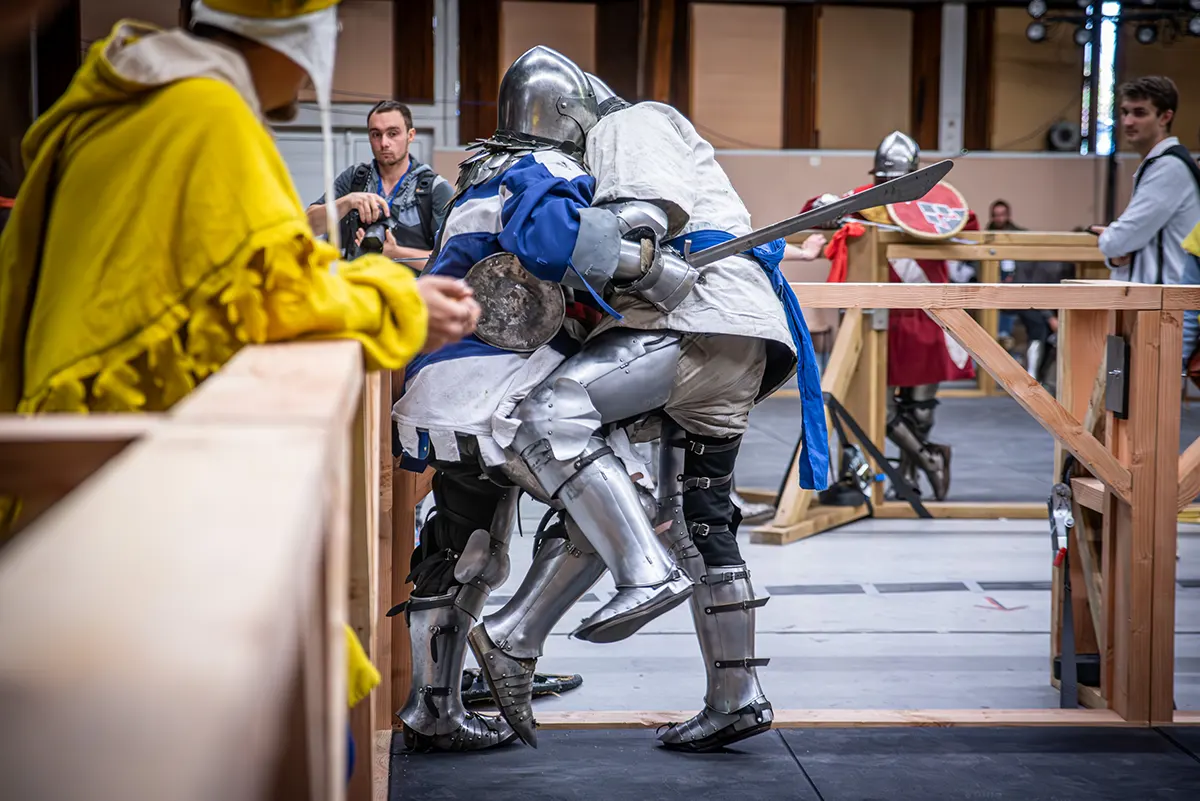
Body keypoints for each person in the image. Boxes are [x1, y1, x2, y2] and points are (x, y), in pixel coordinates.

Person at [0, 0, 482, 776]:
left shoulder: (130, 106)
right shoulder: (206, 113)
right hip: (127, 504)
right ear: (297, 36)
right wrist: (397, 304)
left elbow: (243, 260)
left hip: (77, 475)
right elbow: (270, 290)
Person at [425, 60, 829, 755]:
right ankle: (736, 697)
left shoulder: (633, 121)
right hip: (733, 341)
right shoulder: (629, 137)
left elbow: (642, 212)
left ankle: (531, 625)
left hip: (693, 317)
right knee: (693, 515)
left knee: (549, 418)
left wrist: (625, 254)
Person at [802, 130, 978, 501]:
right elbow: (809, 215)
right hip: (875, 316)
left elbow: (969, 225)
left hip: (925, 314)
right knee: (873, 404)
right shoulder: (862, 202)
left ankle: (908, 478)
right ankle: (929, 459)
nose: (888, 185)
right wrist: (826, 204)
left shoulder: (933, 206)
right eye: (884, 180)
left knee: (921, 409)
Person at [1089, 76, 1200, 365]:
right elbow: (1127, 242)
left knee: (1151, 405)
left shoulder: (1169, 168)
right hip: (1149, 305)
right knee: (1130, 404)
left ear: (1165, 117)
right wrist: (1115, 251)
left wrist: (1109, 240)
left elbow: (1121, 239)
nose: (1128, 121)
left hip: (1163, 310)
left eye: (1139, 113)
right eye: (1125, 112)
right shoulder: (1157, 164)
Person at [306, 100, 453, 270]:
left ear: (410, 135)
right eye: (376, 134)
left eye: (393, 133)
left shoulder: (434, 189)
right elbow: (308, 226)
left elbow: (451, 259)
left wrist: (396, 253)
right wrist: (348, 202)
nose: (384, 143)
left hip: (410, 293)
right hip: (355, 291)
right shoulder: (354, 180)